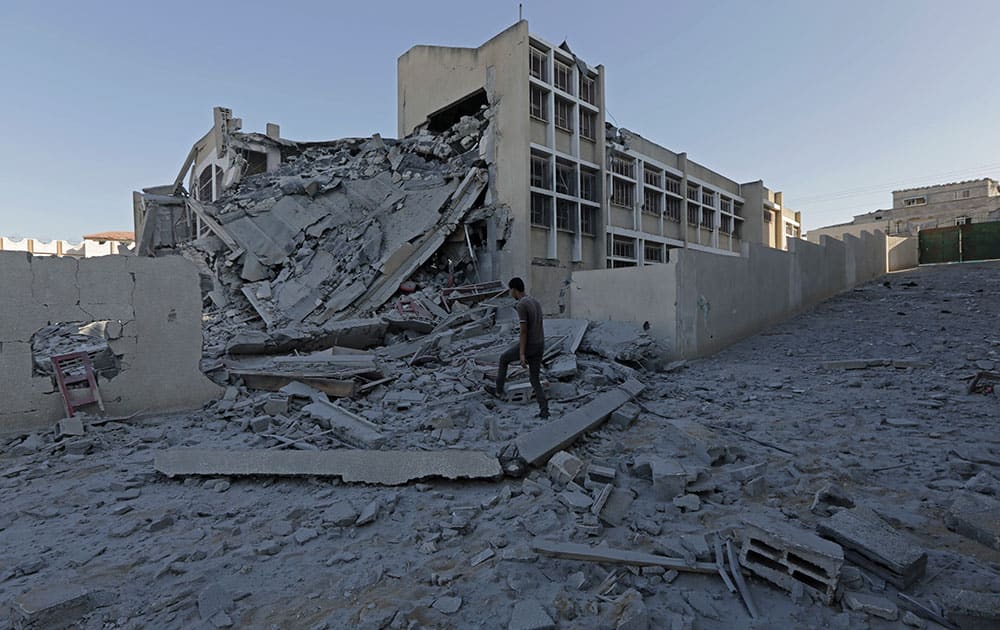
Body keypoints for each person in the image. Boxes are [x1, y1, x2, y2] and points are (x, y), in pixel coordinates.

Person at [486, 277, 549, 419]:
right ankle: (544, 410)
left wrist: (521, 354)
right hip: (540, 344)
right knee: (534, 379)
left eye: (510, 290)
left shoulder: (521, 305)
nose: (510, 293)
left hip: (530, 345)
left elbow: (524, 331)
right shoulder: (535, 301)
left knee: (504, 358)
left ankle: (498, 391)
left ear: (514, 290)